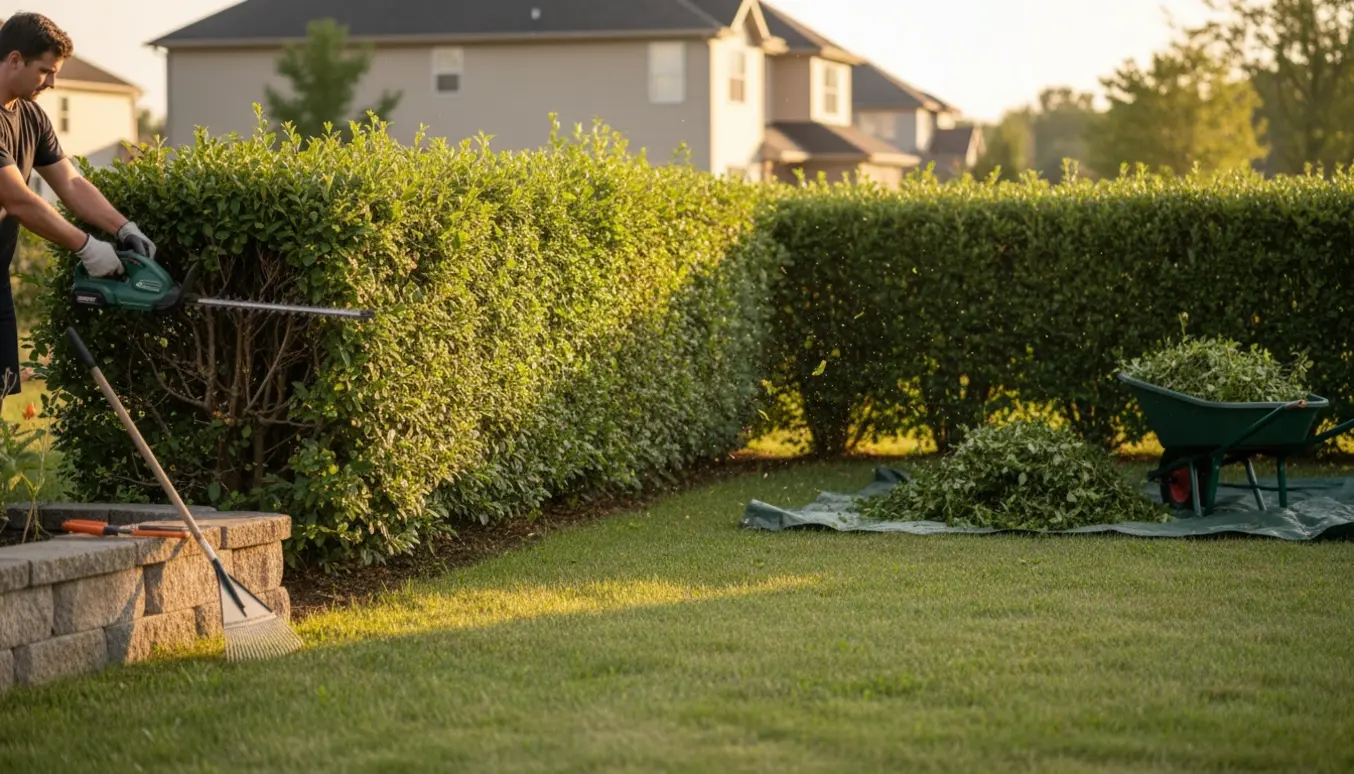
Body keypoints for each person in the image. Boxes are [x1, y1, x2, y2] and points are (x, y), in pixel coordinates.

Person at [0, 12, 156, 400]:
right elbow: (17, 198)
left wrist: (124, 228)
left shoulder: (31, 117)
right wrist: (85, 247)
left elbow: (69, 182)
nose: (52, 83)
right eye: (45, 71)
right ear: (15, 59)